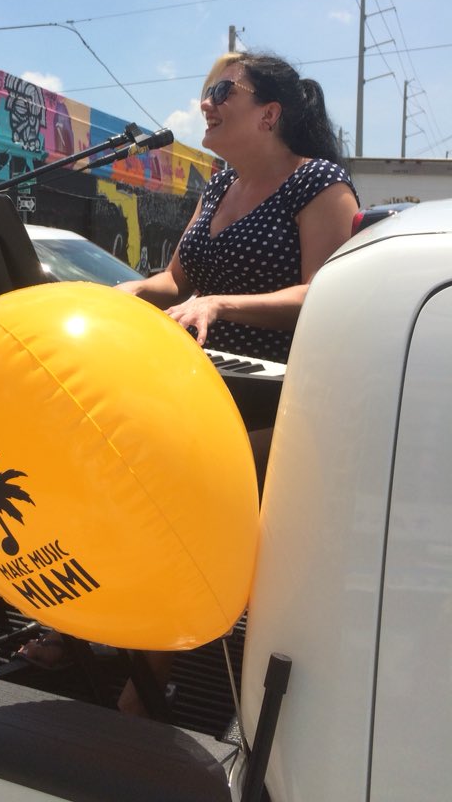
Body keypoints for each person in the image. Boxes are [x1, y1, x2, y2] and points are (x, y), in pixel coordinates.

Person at [18, 51, 360, 715]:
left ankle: (148, 680)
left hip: (278, 404)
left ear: (269, 113)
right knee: (93, 457)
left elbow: (325, 291)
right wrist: (112, 294)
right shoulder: (218, 184)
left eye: (224, 90)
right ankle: (90, 620)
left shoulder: (318, 182)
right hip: (192, 385)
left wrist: (223, 303)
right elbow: (175, 281)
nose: (207, 101)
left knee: (173, 492)